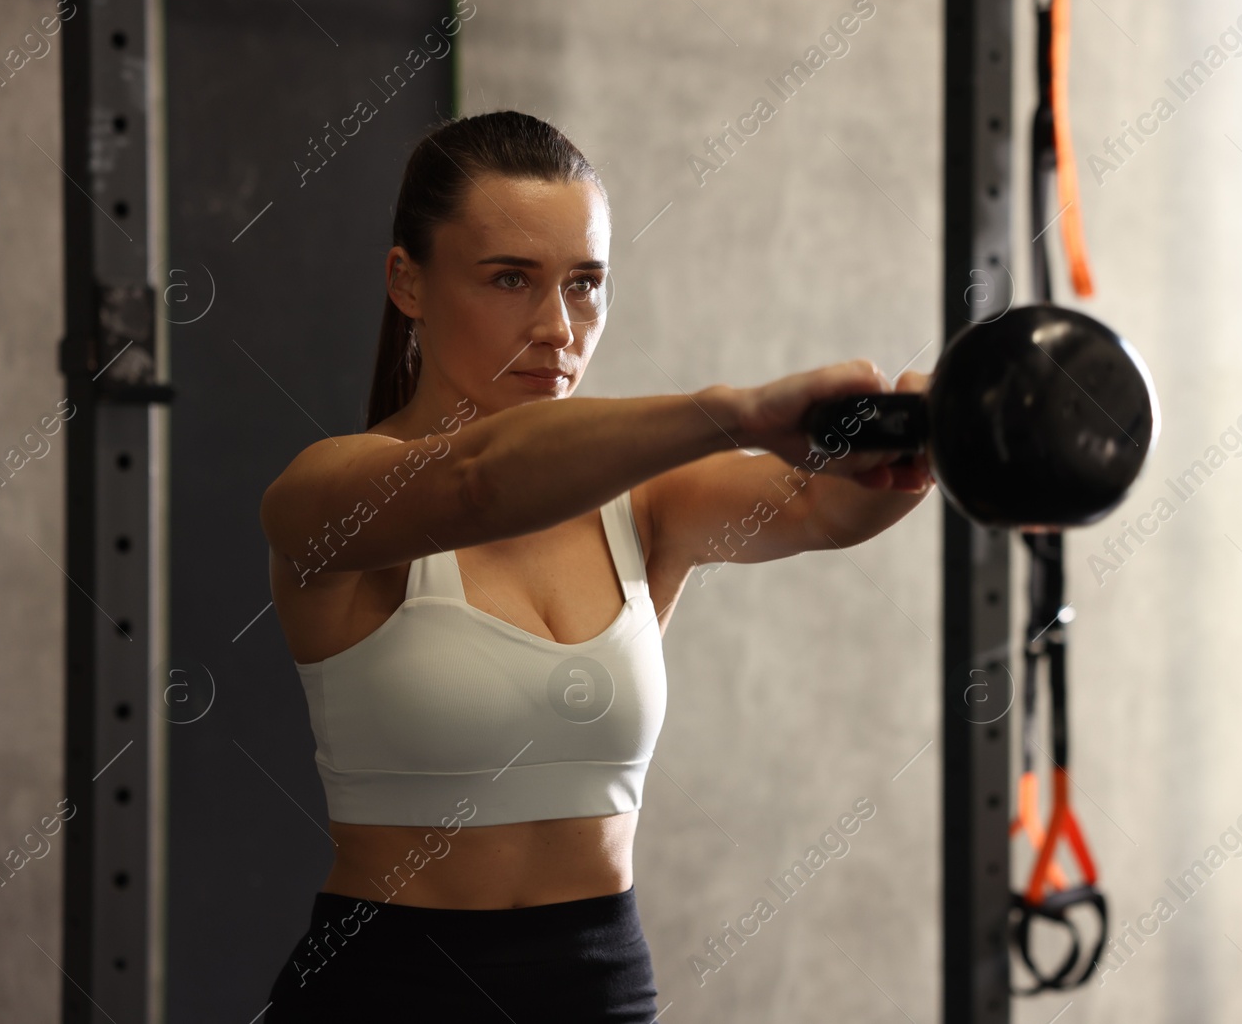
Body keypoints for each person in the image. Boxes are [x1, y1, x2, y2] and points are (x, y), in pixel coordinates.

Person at [259, 110, 934, 1022]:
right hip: (388, 990)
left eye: (585, 284)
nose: (557, 326)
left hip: (599, 989)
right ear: (407, 282)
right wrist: (734, 412)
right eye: (510, 279)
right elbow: (477, 482)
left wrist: (929, 440)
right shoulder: (327, 490)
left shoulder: (644, 503)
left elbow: (824, 503)